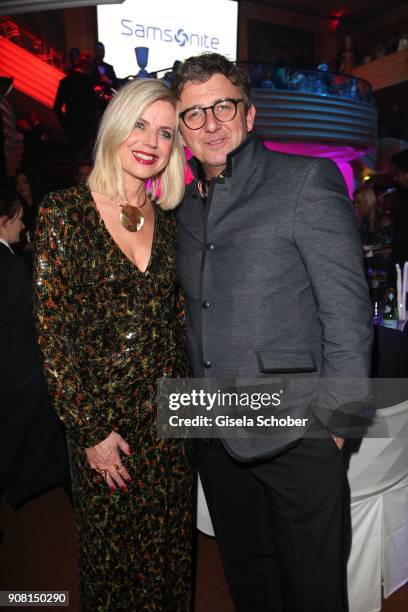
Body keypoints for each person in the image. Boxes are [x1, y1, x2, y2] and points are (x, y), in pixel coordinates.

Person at [172, 53, 372, 612]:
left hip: (298, 430)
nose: (210, 123)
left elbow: (349, 315)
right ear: (182, 129)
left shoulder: (305, 180)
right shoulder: (181, 205)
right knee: (249, 579)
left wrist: (339, 429)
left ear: (249, 114)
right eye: (193, 114)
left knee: (313, 590)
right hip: (214, 427)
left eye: (223, 106)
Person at [34, 79, 192, 611]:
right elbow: (52, 337)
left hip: (169, 424)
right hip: (106, 429)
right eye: (141, 124)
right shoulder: (65, 213)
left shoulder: (169, 223)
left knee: (171, 557)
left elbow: (178, 321)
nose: (151, 141)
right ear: (116, 127)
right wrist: (90, 431)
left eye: (166, 132)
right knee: (114, 565)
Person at [0, 189, 69, 509]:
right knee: (42, 439)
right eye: (17, 218)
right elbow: (36, 317)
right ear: (3, 222)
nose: (22, 223)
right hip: (24, 371)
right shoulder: (10, 267)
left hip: (9, 368)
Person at [53, 51, 101, 159]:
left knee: (74, 162)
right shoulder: (87, 82)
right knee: (87, 160)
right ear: (87, 68)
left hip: (72, 129)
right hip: (87, 128)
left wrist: (66, 124)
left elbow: (56, 107)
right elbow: (94, 105)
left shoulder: (64, 82)